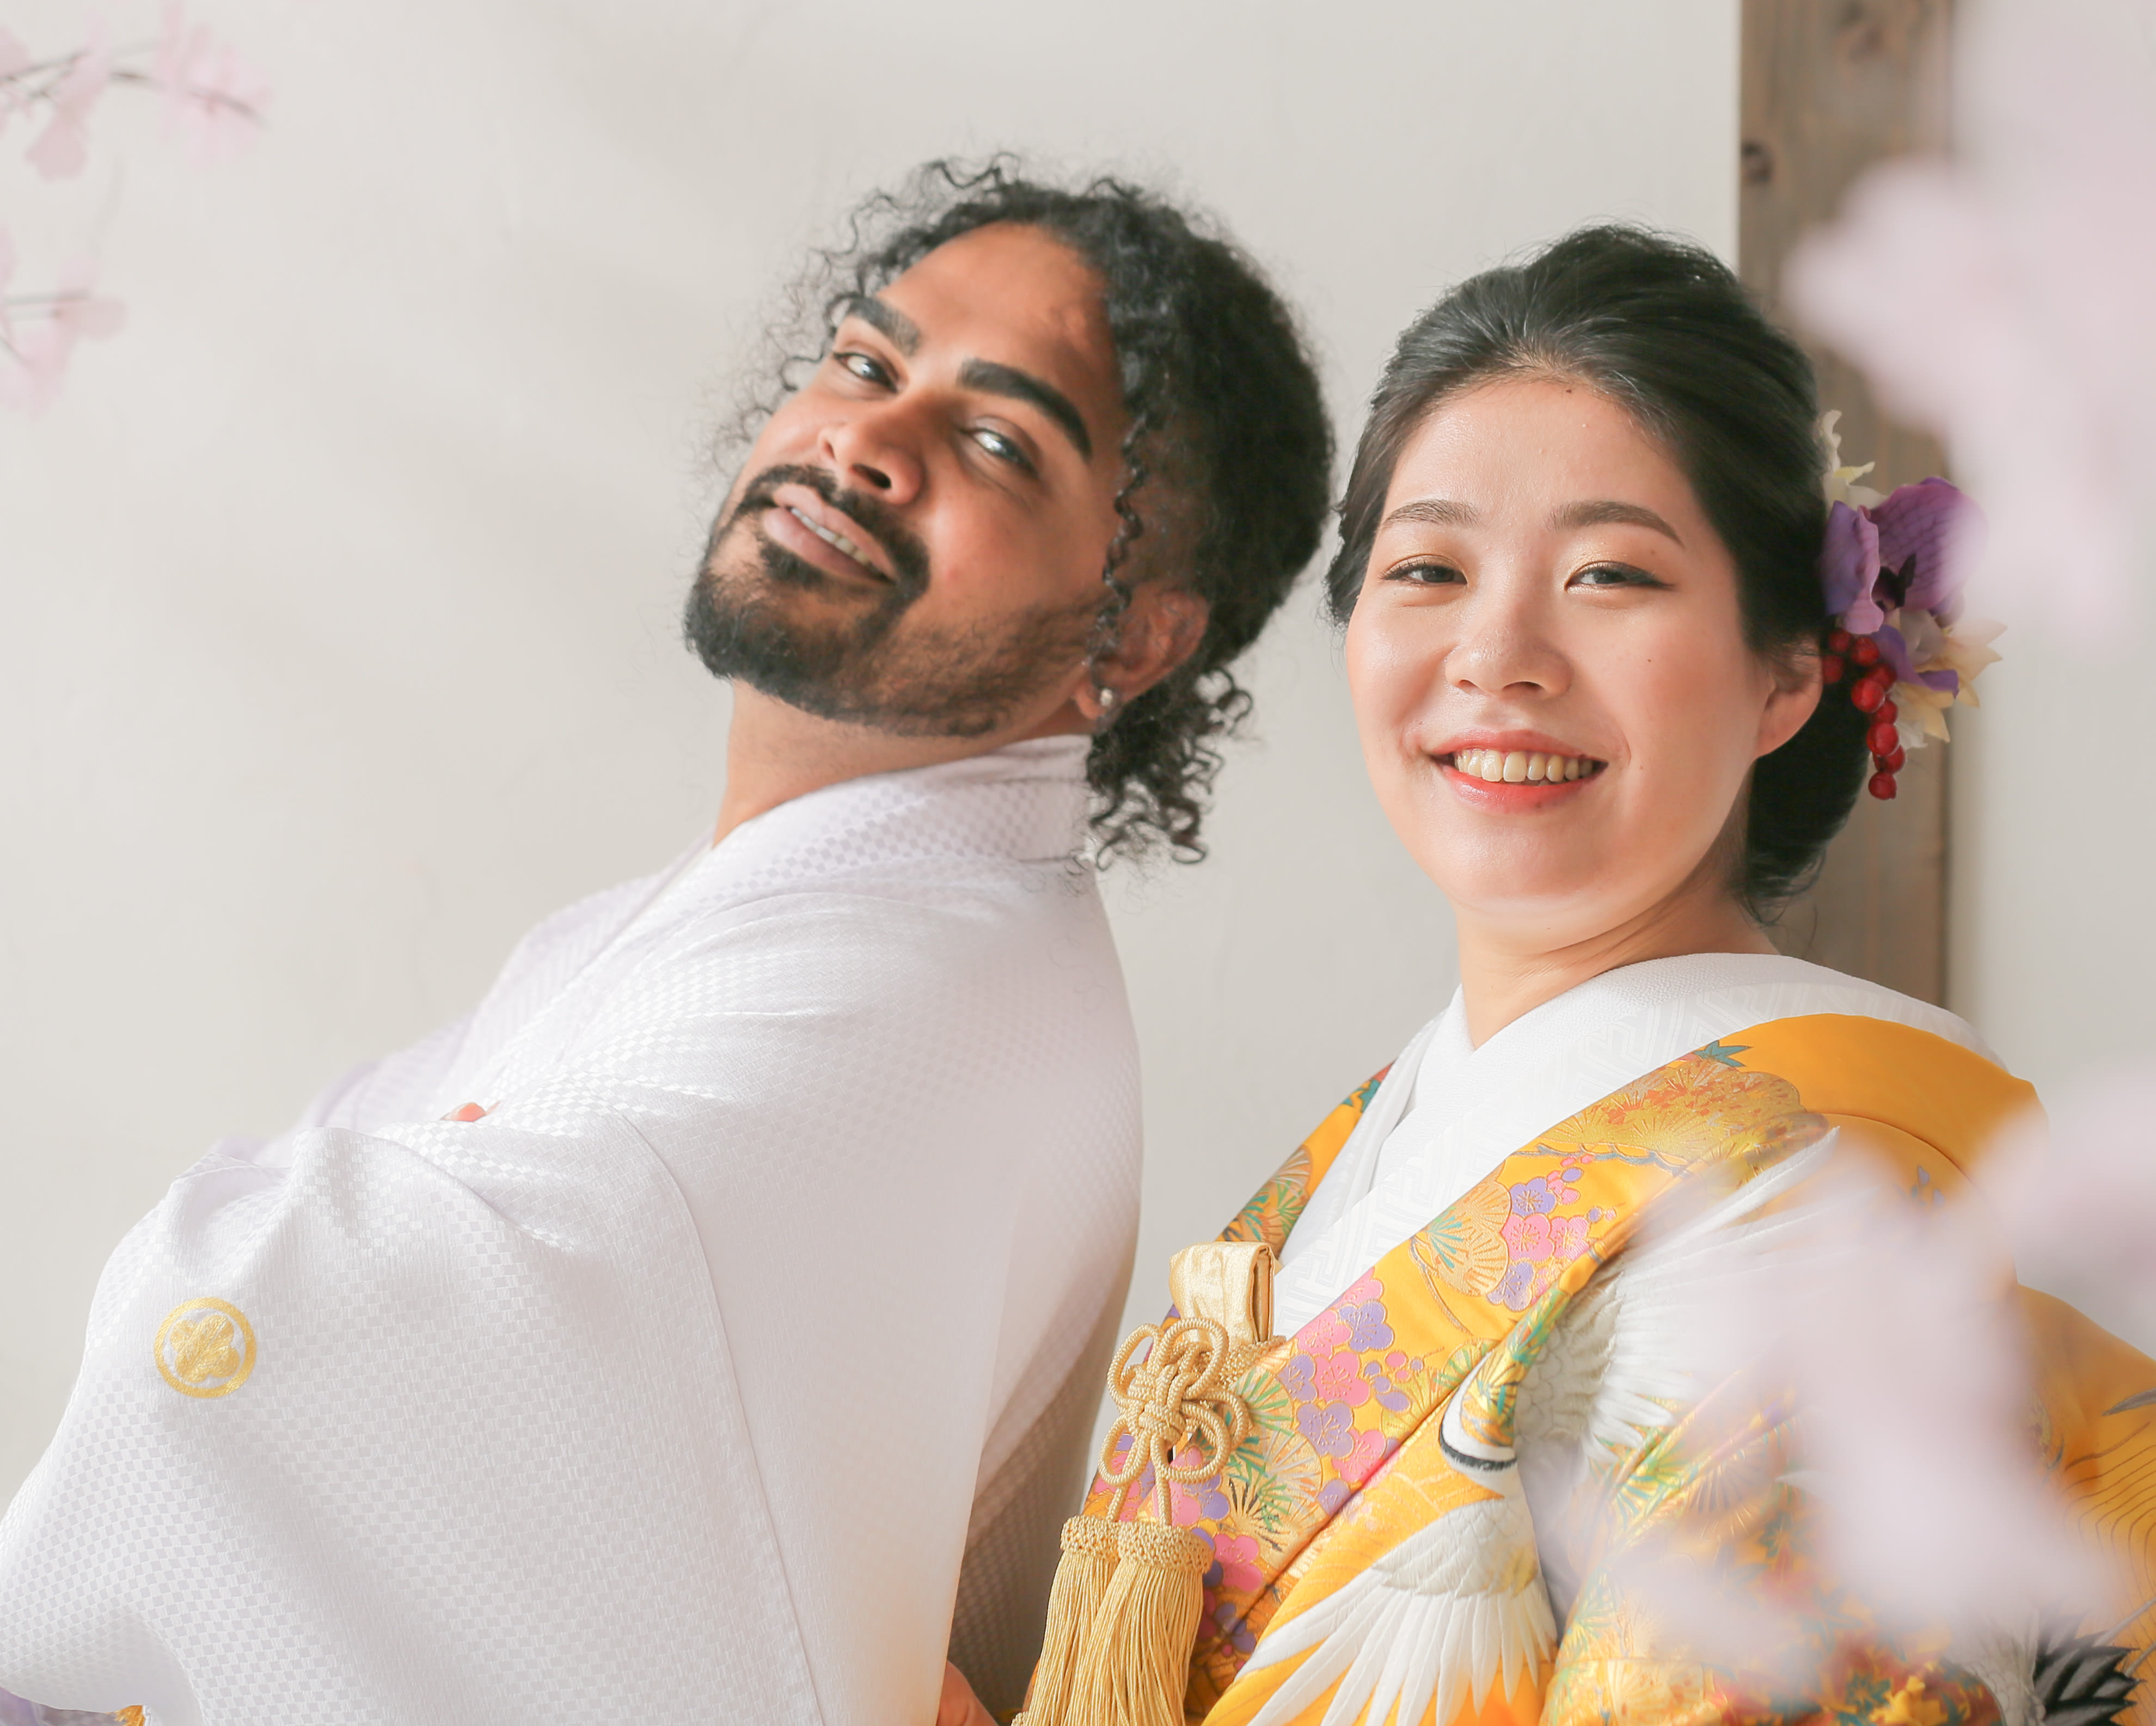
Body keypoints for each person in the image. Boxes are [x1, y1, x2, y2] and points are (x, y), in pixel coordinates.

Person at [0, 161, 1334, 1726]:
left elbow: (271, 1328)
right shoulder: (811, 910)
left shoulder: (934, 1005)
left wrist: (253, 1221)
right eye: (866, 361)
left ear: (1135, 635)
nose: (865, 441)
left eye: (996, 442)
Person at [991, 226, 2156, 1726]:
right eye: (1428, 569)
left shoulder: (1811, 1207)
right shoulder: (1404, 1127)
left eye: (1609, 574)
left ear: (1785, 672)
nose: (1498, 653)